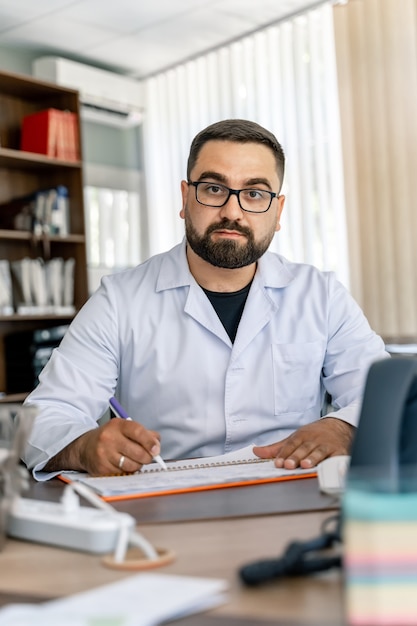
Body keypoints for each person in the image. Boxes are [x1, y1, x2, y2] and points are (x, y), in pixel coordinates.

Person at [22, 119, 387, 480]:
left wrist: (343, 428)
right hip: (165, 503)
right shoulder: (119, 300)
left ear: (278, 212)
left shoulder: (320, 295)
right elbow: (43, 419)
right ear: (185, 198)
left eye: (255, 193)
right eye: (214, 189)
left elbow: (390, 397)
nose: (232, 211)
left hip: (291, 496)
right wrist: (85, 447)